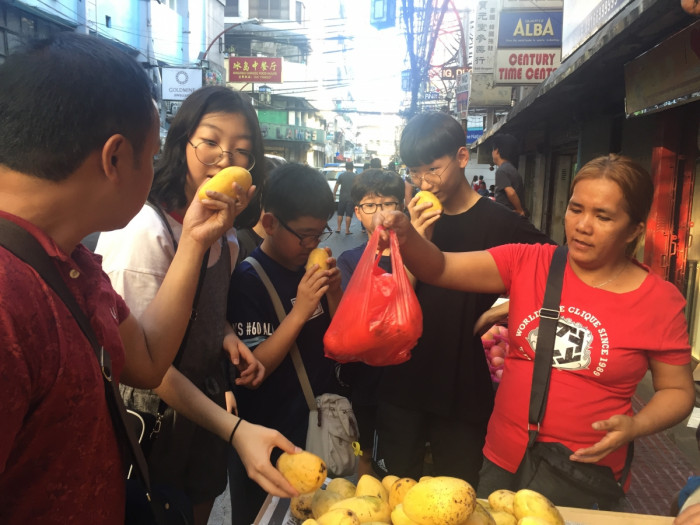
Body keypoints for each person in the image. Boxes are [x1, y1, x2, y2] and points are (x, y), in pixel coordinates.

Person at [0, 32, 293, 525]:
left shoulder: (74, 265)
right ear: (116, 158)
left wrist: (197, 241)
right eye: (154, 151)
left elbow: (149, 359)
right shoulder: (9, 298)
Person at [376, 154, 695, 507]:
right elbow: (440, 267)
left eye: (603, 216)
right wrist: (405, 236)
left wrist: (637, 426)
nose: (582, 226)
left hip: (586, 473)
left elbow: (678, 391)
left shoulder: (659, 301)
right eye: (576, 209)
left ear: (635, 229)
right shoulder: (530, 261)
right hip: (502, 460)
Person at [95, 85, 296, 525]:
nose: (225, 159)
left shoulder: (223, 234)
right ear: (180, 142)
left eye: (241, 151)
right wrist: (237, 431)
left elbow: (206, 307)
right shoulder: (143, 229)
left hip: (202, 410)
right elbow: (145, 363)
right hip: (149, 418)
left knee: (196, 509)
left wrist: (225, 336)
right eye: (210, 143)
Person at [371, 112, 552, 488]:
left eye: (432, 169)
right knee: (396, 491)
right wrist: (418, 239)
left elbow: (557, 272)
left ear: (462, 157)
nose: (423, 182)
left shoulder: (501, 223)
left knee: (460, 492)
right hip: (401, 381)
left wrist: (505, 309)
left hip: (462, 384)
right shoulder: (406, 223)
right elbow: (387, 302)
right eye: (414, 172)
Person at [227, 163, 344, 524]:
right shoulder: (248, 279)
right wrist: (301, 309)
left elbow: (338, 342)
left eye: (319, 234)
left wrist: (334, 295)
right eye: (305, 235)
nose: (313, 245)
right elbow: (253, 370)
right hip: (271, 438)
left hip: (315, 428)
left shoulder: (309, 270)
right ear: (271, 223)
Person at [336, 168, 406, 477]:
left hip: (405, 375)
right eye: (370, 206)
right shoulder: (350, 260)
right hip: (362, 374)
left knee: (400, 453)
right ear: (357, 212)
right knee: (362, 447)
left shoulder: (416, 256)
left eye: (388, 204)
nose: (379, 214)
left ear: (401, 209)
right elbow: (355, 314)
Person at [492, 133, 528, 217]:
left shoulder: (501, 171)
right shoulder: (511, 168)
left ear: (496, 151)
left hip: (507, 215)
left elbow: (511, 192)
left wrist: (520, 210)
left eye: (492, 150)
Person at [333, 161, 357, 235]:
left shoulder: (342, 175)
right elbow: (358, 187)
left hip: (342, 197)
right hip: (351, 198)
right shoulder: (355, 176)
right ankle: (347, 230)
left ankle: (339, 228)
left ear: (346, 168)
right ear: (352, 167)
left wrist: (334, 194)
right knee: (348, 214)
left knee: (340, 213)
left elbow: (336, 185)